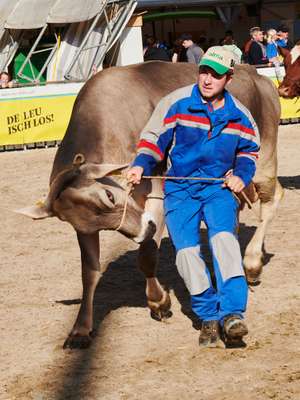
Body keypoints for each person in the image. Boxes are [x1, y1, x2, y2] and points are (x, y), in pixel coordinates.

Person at [127, 46, 260, 348]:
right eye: (204, 71)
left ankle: (232, 314)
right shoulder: (175, 103)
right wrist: (140, 165)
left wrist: (241, 175)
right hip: (180, 190)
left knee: (224, 244)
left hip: (219, 189)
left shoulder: (239, 114)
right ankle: (208, 316)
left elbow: (249, 151)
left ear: (229, 77)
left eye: (215, 74)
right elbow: (153, 141)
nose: (207, 79)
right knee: (186, 255)